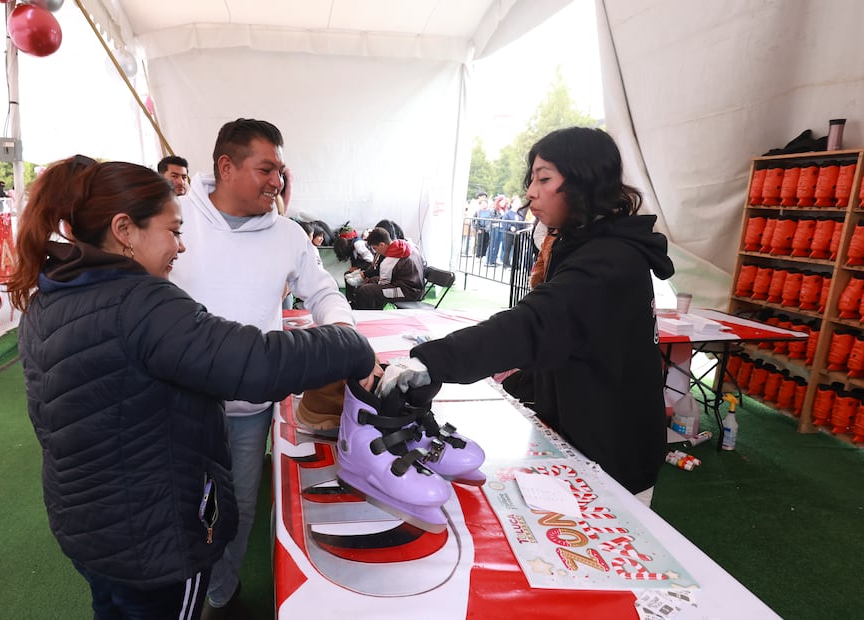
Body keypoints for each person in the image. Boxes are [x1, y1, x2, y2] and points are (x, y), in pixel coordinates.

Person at [6, 155, 376, 620]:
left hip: (88, 528)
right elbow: (255, 363)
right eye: (172, 231)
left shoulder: (51, 294)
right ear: (124, 229)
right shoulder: (141, 304)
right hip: (152, 541)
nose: (180, 247)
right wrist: (351, 345)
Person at [379, 127, 675, 505]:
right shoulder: (581, 246)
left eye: (545, 178)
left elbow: (532, 325)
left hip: (615, 456)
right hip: (584, 435)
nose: (531, 191)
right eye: (531, 179)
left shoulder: (609, 261)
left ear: (585, 180)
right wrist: (517, 386)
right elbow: (567, 340)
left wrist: (432, 360)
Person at [170, 118, 361, 618]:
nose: (277, 180)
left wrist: (343, 338)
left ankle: (222, 594)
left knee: (237, 510)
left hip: (248, 409)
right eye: (266, 168)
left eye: (280, 169)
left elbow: (322, 292)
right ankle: (179, 594)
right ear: (226, 167)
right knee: (174, 506)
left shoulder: (289, 234)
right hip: (175, 400)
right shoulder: (174, 217)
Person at [350, 226, 425, 310]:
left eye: (375, 248)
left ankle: (368, 316)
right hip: (418, 289)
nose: (376, 252)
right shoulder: (410, 245)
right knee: (373, 281)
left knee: (365, 290)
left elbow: (383, 284)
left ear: (382, 245)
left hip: (408, 293)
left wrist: (366, 280)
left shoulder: (389, 260)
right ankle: (376, 312)